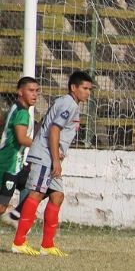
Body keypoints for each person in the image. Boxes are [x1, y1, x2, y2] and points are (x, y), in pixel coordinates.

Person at [12, 71, 93, 256]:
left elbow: (46, 125)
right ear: (74, 87)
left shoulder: (68, 103)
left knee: (57, 196)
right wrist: (55, 159)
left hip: (49, 156)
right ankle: (18, 242)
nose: (88, 92)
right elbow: (54, 130)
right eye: (85, 88)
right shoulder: (68, 104)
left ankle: (47, 245)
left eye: (90, 89)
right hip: (46, 157)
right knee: (36, 193)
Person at [0, 77, 38, 223]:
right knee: (2, 206)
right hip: (9, 165)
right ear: (20, 92)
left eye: (36, 91)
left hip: (14, 162)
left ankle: (16, 214)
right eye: (31, 90)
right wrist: (42, 146)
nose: (34, 94)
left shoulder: (15, 107)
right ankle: (15, 215)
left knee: (38, 186)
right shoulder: (22, 113)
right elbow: (22, 138)